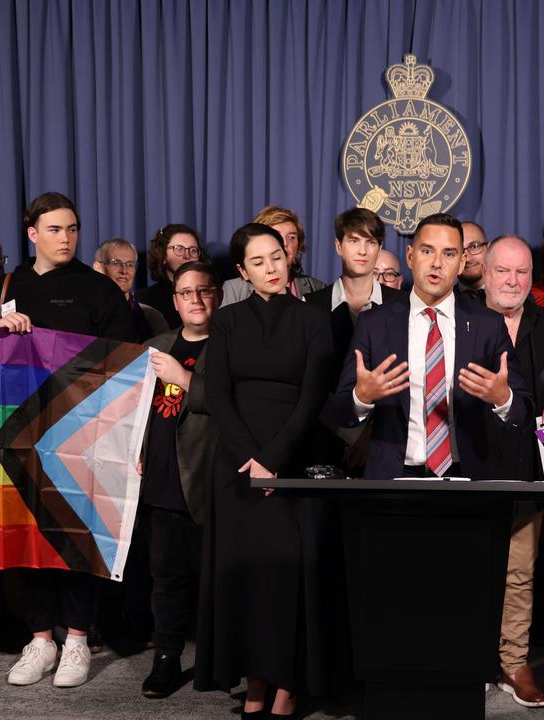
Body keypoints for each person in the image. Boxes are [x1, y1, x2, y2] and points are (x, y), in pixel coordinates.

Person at [0, 191, 137, 689]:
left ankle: (78, 641)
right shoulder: (7, 284)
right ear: (32, 234)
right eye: (55, 229)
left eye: (72, 229)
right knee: (29, 541)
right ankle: (40, 640)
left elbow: (124, 358)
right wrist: (0, 329)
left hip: (81, 432)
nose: (65, 238)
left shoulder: (99, 289)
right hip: (18, 432)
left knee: (76, 538)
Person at [197, 223, 336, 718]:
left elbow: (313, 396)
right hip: (236, 467)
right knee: (245, 577)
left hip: (291, 462)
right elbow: (217, 395)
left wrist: (274, 461)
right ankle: (254, 679)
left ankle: (287, 682)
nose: (271, 268)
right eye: (258, 262)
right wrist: (250, 460)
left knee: (286, 578)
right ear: (242, 271)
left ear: (289, 257)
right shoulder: (229, 320)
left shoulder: (315, 319)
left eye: (276, 256)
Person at [333, 212, 532, 481]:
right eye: (427, 251)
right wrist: (361, 396)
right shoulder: (374, 324)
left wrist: (502, 398)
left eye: (449, 254)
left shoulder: (488, 325)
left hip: (469, 481)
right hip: (393, 482)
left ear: (462, 262)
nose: (437, 263)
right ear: (410, 255)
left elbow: (523, 412)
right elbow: (342, 413)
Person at [481, 235, 544, 709]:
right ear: (485, 272)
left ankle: (515, 661)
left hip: (530, 468)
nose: (512, 281)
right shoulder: (462, 317)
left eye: (521, 273)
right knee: (470, 569)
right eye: (503, 271)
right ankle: (471, 662)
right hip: (470, 465)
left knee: (520, 572)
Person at [139, 261, 219, 700]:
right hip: (162, 483)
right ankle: (166, 659)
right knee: (165, 580)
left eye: (204, 291)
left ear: (218, 296)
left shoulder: (229, 347)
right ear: (174, 301)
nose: (196, 299)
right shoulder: (153, 347)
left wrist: (184, 378)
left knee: (213, 579)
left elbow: (231, 405)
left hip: (208, 482)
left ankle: (216, 659)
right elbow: (131, 413)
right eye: (186, 292)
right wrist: (134, 451)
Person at [305, 208, 405, 475]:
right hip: (323, 443)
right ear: (339, 246)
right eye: (354, 241)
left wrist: (370, 434)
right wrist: (350, 434)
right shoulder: (311, 307)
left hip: (387, 442)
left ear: (379, 247)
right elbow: (309, 384)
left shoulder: (403, 306)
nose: (362, 250)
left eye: (370, 242)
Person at [220, 206, 326, 305]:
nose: (284, 243)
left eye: (292, 237)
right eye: (277, 236)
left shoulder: (317, 287)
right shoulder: (233, 289)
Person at [94, 237, 169, 341]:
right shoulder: (85, 314)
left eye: (130, 264)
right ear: (98, 268)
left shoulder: (151, 317)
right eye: (115, 263)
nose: (124, 271)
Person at [137, 224, 204, 329]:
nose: (187, 255)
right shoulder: (145, 298)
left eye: (193, 250)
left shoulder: (209, 293)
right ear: (162, 255)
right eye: (179, 249)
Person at [458, 220, 489, 295]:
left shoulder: (516, 299)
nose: (467, 258)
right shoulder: (440, 303)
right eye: (460, 250)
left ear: (489, 249)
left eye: (474, 246)